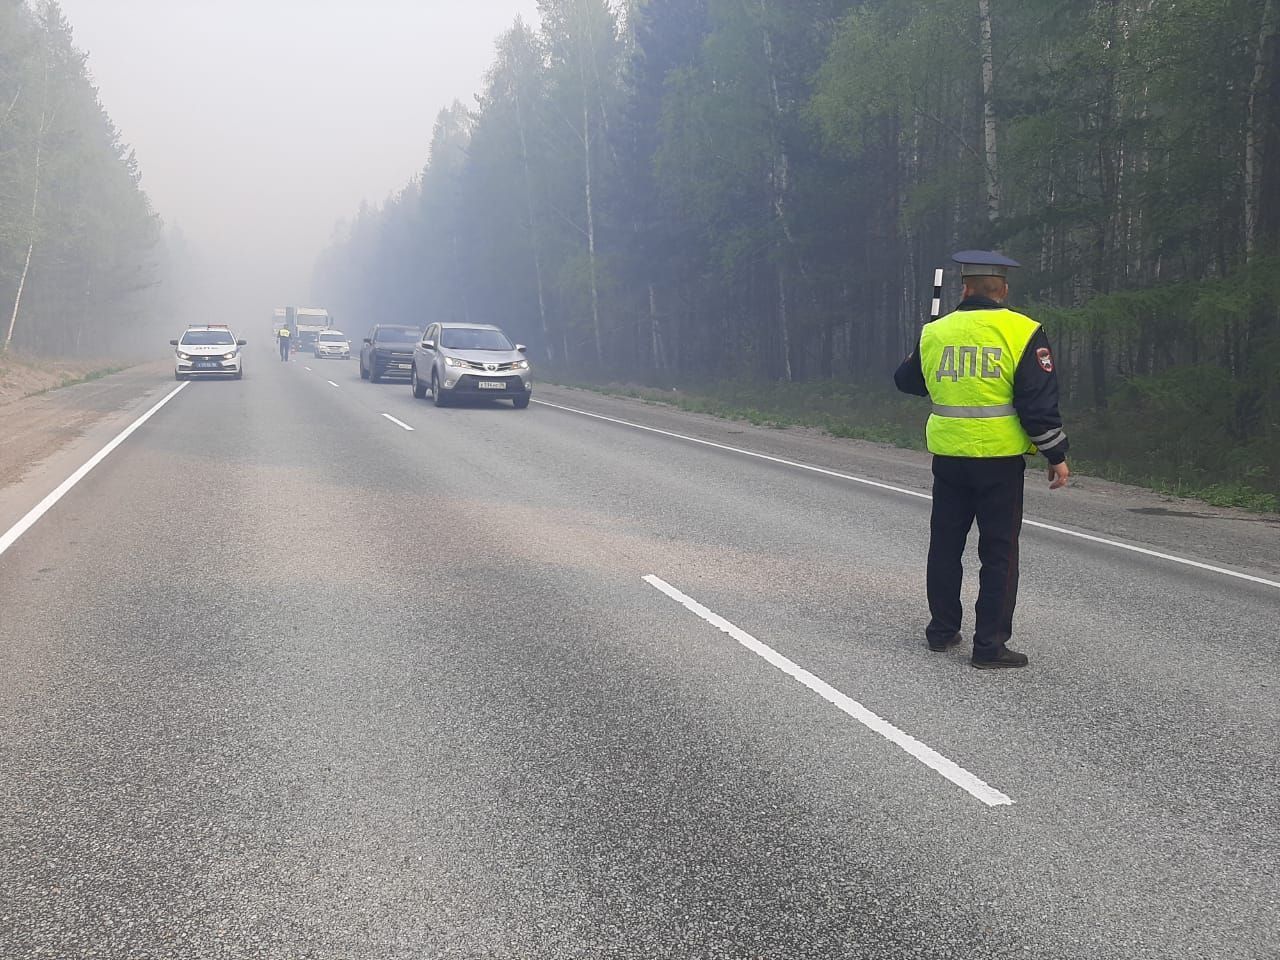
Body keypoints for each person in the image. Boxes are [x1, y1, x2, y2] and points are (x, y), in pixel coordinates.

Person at [894, 251, 1070, 669]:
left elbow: (906, 382)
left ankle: (941, 631)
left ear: (965, 288)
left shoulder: (936, 331)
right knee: (999, 552)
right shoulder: (1023, 331)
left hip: (950, 456)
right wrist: (1055, 453)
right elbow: (1037, 402)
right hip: (999, 460)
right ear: (1003, 290)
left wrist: (926, 353)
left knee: (945, 545)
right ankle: (988, 646)